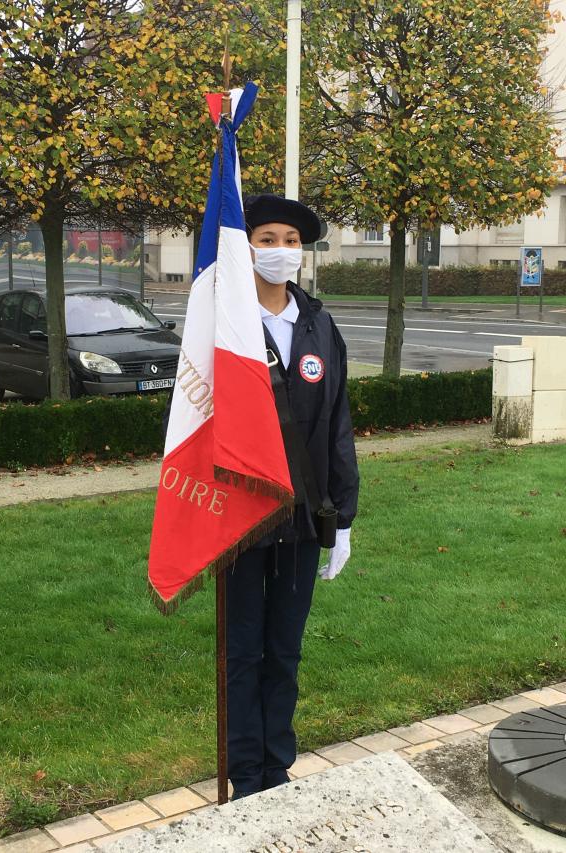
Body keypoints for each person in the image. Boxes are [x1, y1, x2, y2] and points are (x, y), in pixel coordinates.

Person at [227, 193, 359, 800]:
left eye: (290, 240)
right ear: (244, 246)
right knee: (244, 650)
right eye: (267, 238)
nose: (280, 251)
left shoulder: (319, 325)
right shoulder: (225, 324)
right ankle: (245, 772)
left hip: (305, 517)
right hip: (242, 515)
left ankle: (277, 769)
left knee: (284, 649)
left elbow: (337, 427)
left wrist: (345, 518)